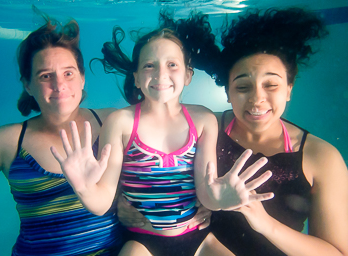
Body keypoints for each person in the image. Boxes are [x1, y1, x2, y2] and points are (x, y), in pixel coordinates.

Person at [51, 11, 274, 256]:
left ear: (188, 75)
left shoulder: (202, 120)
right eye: (149, 66)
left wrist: (220, 199)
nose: (160, 75)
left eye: (172, 65)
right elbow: (103, 202)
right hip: (142, 242)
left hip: (198, 238)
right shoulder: (121, 123)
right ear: (135, 77)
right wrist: (84, 189)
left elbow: (205, 193)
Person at [0, 15, 123, 255]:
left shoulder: (114, 122)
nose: (59, 85)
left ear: (82, 79)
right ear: (27, 85)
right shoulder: (5, 142)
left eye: (68, 73)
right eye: (45, 76)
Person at [207, 8, 348, 256]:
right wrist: (127, 205)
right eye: (242, 87)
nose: (257, 99)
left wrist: (266, 225)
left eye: (271, 84)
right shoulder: (202, 128)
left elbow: (337, 252)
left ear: (289, 89)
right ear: (227, 93)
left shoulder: (322, 157)